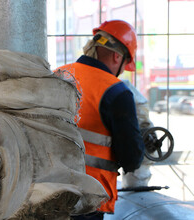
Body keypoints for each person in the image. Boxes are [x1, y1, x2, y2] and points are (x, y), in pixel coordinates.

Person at [57, 20, 145, 219]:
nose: (121, 72)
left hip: (48, 190)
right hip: (87, 199)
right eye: (124, 66)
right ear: (117, 57)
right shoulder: (116, 91)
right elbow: (131, 159)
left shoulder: (57, 75)